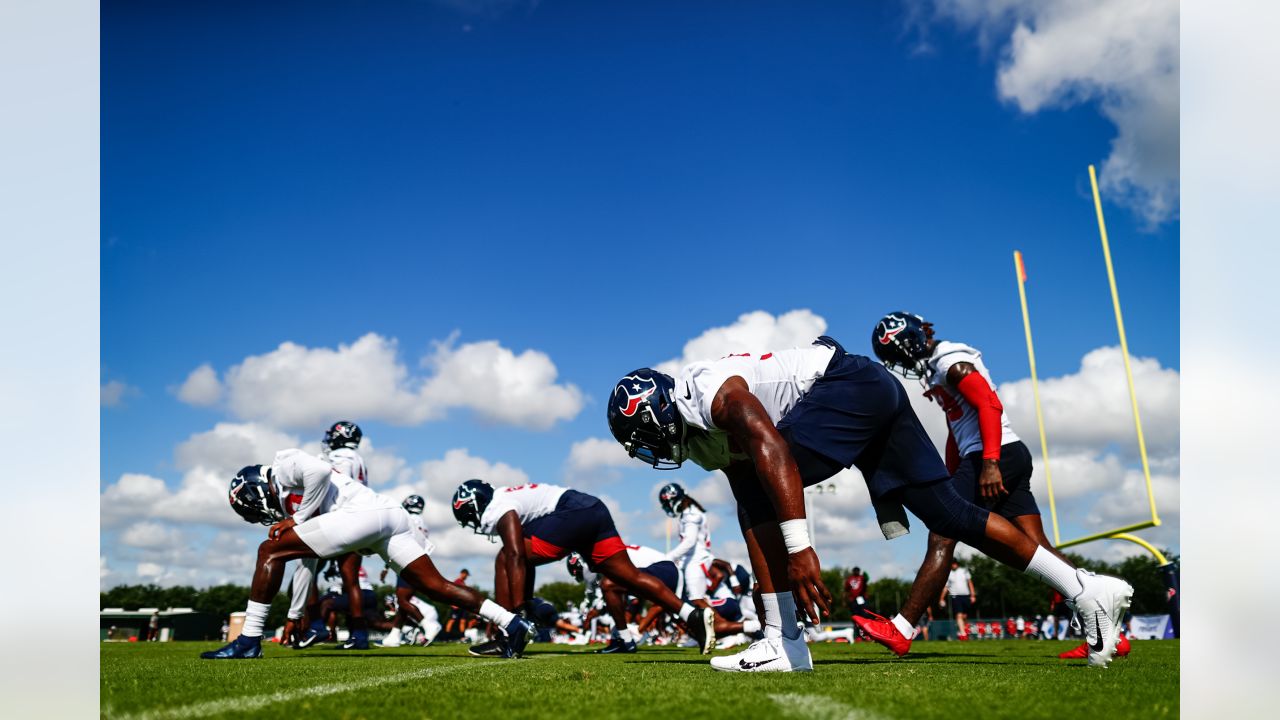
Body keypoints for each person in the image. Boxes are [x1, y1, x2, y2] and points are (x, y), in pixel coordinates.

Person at [607, 333, 1133, 671]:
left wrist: (800, 547)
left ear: (653, 412)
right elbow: (752, 486)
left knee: (761, 487)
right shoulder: (694, 433)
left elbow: (772, 453)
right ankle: (1085, 589)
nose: (651, 452)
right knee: (948, 514)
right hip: (867, 386)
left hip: (848, 382)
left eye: (644, 439)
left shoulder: (710, 394)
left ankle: (782, 641)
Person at [854, 313, 1095, 659]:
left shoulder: (950, 360)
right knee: (1037, 544)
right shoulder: (937, 367)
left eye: (899, 353)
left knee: (942, 531)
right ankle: (1102, 618)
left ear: (913, 340)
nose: (902, 363)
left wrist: (991, 463)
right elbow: (957, 429)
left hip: (992, 454)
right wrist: (950, 475)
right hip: (994, 453)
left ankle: (903, 627)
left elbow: (989, 405)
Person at [198, 449, 531, 660]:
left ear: (255, 491)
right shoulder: (300, 502)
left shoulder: (284, 463)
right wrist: (294, 612)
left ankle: (248, 639)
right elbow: (307, 563)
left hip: (366, 516)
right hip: (388, 516)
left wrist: (296, 520)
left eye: (255, 510)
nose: (263, 516)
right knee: (436, 586)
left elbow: (319, 470)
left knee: (267, 550)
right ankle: (513, 624)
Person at [451, 479, 715, 657]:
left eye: (468, 516)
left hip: (573, 513)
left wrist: (518, 613)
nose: (472, 522)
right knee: (630, 577)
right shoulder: (507, 496)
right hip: (592, 510)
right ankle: (691, 614)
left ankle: (507, 630)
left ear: (475, 505)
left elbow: (516, 557)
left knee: (504, 556)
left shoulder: (498, 506)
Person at [380, 495, 443, 648]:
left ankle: (428, 625)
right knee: (403, 602)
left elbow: (400, 543)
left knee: (402, 600)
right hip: (418, 561)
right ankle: (394, 635)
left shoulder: (408, 518)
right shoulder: (422, 522)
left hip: (408, 561)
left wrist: (386, 567)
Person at [940, 560, 976, 640]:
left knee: (964, 616)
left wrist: (973, 595)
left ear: (957, 564)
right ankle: (963, 634)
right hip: (955, 596)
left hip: (966, 595)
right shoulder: (949, 574)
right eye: (952, 564)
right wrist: (941, 598)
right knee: (958, 615)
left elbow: (970, 582)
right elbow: (946, 587)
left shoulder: (964, 571)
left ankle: (964, 629)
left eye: (954, 563)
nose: (953, 565)